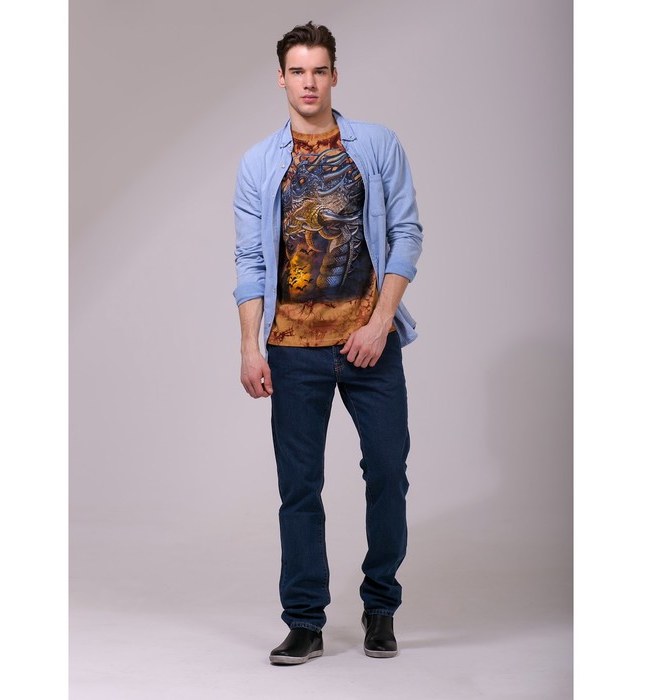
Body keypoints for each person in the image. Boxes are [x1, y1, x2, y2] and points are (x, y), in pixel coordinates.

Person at [233, 21, 423, 665]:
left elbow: (406, 234)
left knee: (388, 473)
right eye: (298, 71)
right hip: (291, 348)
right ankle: (305, 621)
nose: (309, 82)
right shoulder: (259, 163)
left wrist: (380, 323)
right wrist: (250, 347)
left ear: (334, 75)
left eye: (319, 70)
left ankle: (380, 607)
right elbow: (250, 261)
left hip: (370, 341)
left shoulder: (377, 144)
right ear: (281, 79)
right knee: (299, 488)